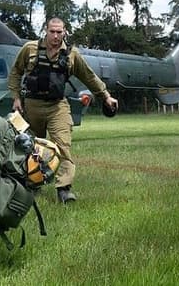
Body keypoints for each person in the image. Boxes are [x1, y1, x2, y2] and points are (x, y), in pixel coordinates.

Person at [8, 17, 118, 204]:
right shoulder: (30, 49)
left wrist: (106, 96)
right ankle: (31, 184)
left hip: (57, 106)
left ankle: (64, 189)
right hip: (32, 105)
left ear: (65, 32)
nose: (55, 36)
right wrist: (16, 97)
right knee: (29, 147)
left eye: (59, 32)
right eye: (52, 31)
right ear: (46, 30)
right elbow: (16, 72)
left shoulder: (71, 54)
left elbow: (89, 76)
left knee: (63, 146)